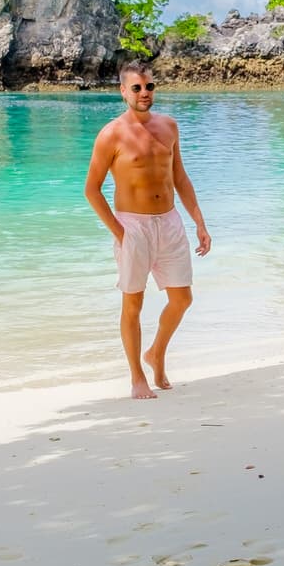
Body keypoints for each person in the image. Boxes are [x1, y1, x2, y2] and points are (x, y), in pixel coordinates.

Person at [84, 64, 211, 399]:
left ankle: (155, 353)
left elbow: (180, 178)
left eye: (149, 87)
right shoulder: (111, 134)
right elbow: (92, 190)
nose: (145, 93)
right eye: (137, 88)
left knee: (182, 298)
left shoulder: (169, 126)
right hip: (133, 225)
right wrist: (120, 232)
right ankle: (137, 376)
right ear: (123, 92)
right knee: (133, 304)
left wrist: (199, 221)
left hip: (169, 222)